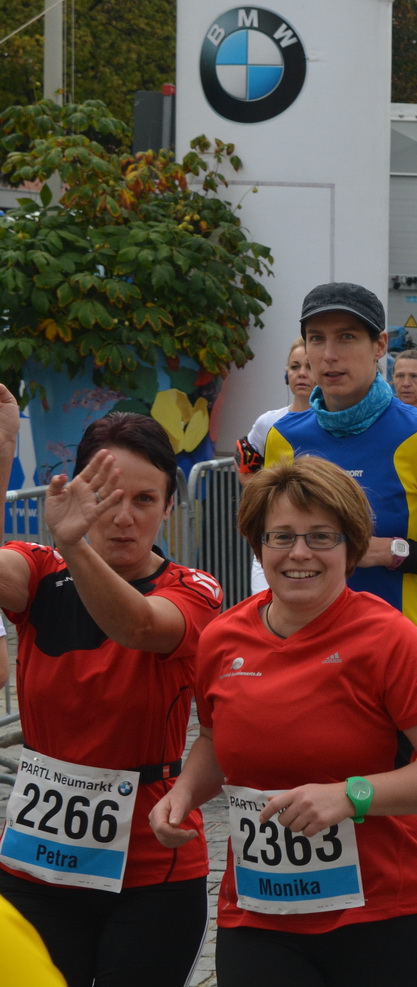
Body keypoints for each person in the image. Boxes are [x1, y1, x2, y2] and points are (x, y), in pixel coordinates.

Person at [150, 456, 417, 986]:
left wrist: (348, 796)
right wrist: (183, 793)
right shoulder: (221, 639)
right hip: (260, 908)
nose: (299, 553)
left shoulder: (393, 641)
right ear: (258, 545)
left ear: (351, 548)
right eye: (280, 536)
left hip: (382, 914)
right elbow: (216, 739)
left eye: (321, 537)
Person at [0, 410, 222, 987]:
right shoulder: (40, 570)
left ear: (170, 506)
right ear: (76, 493)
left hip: (151, 868)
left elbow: (141, 628)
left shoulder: (194, 589)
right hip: (38, 862)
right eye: (107, 497)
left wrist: (76, 546)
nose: (124, 518)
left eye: (146, 500)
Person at [264, 283, 417, 646]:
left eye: (346, 338)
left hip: (396, 651)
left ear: (379, 345)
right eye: (316, 339)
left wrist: (391, 551)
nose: (329, 355)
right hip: (304, 648)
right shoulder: (283, 438)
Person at [238, 338, 317, 593]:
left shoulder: (338, 423)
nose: (301, 374)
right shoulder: (268, 422)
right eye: (295, 367)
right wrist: (265, 500)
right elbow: (244, 460)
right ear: (286, 374)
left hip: (317, 536)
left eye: (309, 366)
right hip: (273, 534)